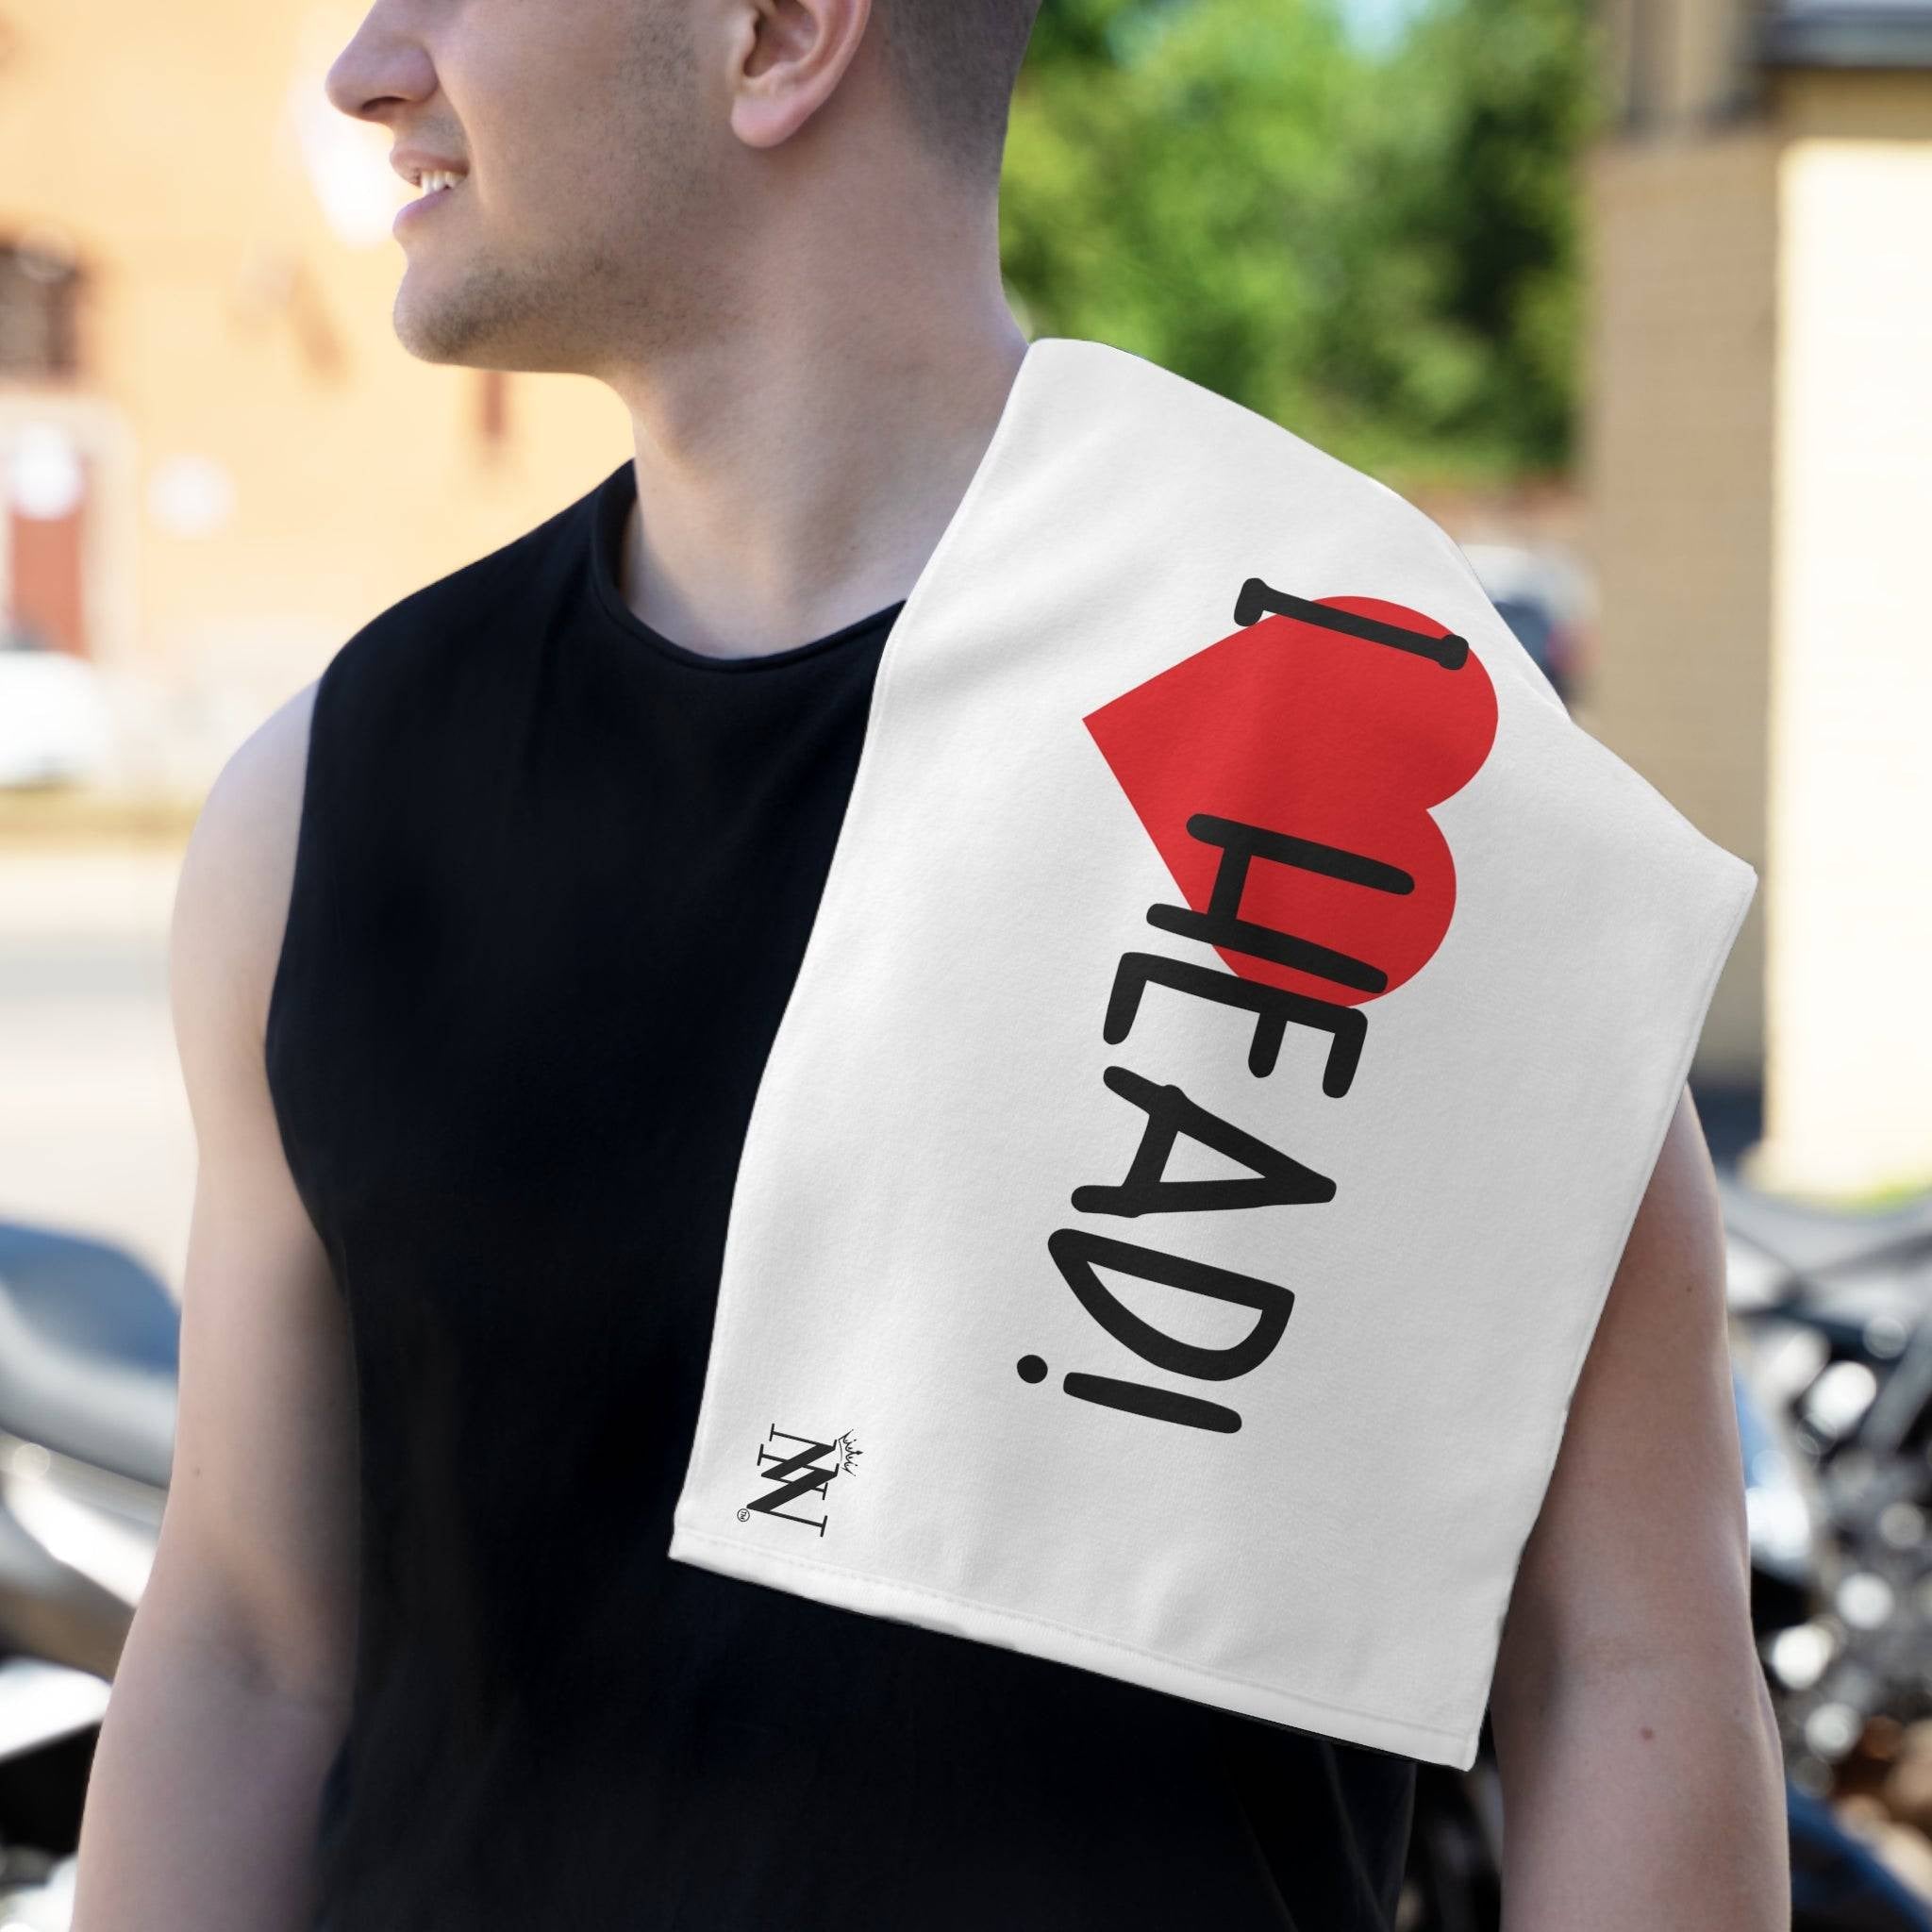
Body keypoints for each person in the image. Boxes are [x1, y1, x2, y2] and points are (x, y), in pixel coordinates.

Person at [70, 0, 1789, 1926]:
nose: (371, 65)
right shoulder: (329, 800)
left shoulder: (1375, 745)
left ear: (779, 35)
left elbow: (1621, 1672)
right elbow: (245, 1651)